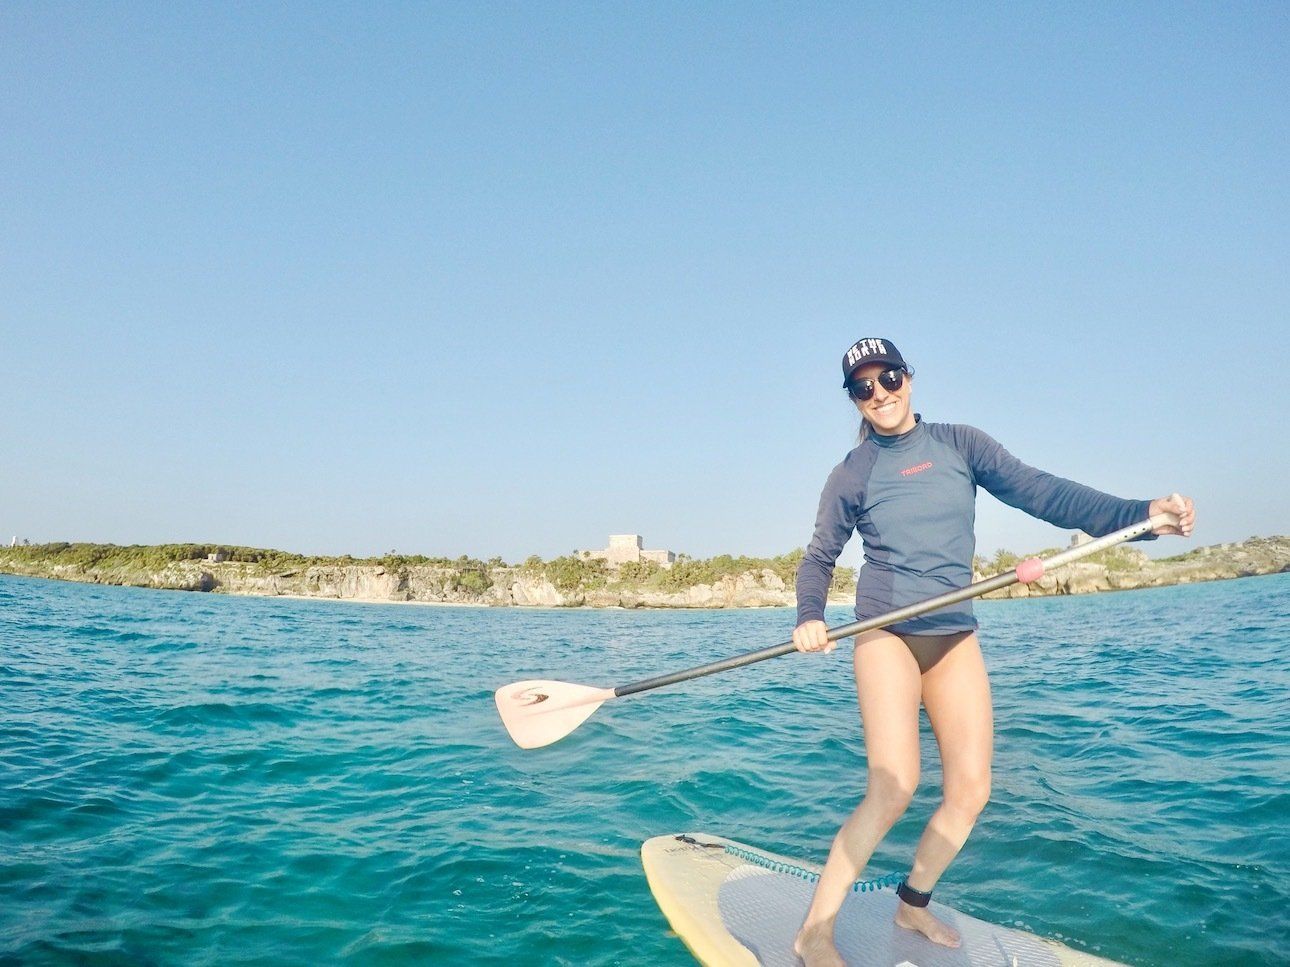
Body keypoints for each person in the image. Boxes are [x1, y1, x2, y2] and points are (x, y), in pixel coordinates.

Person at [791, 337, 1195, 966]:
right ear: (854, 399)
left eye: (888, 377)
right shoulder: (852, 473)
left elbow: (1045, 493)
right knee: (893, 787)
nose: (880, 393)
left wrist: (1139, 515)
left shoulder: (961, 444)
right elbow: (819, 557)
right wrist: (810, 618)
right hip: (885, 631)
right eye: (863, 387)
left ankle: (912, 903)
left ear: (910, 378)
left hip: (954, 631)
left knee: (971, 789)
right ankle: (815, 930)